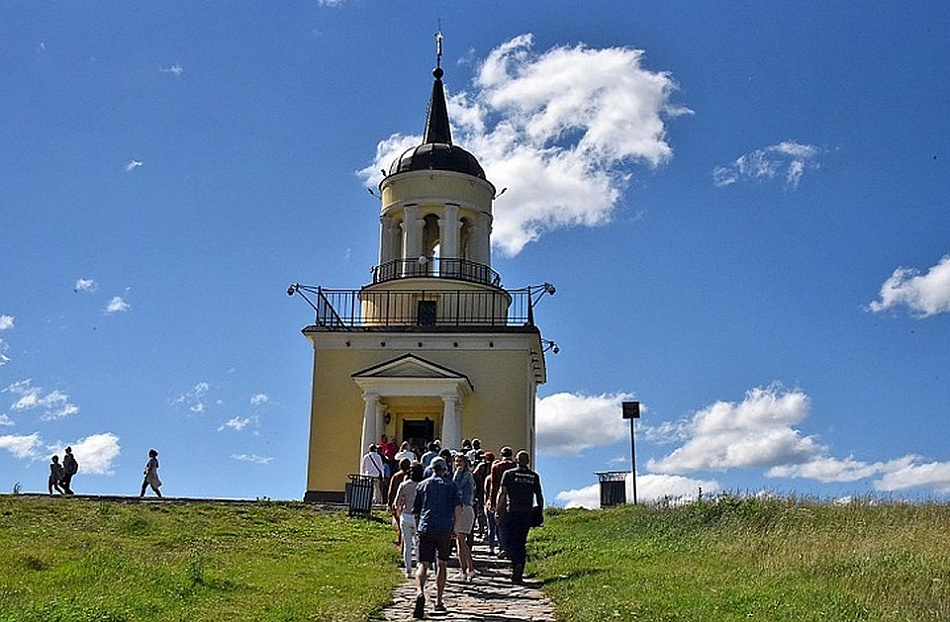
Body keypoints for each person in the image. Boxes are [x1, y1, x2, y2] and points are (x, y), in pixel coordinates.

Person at [411, 457, 461, 618]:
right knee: (442, 564)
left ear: (431, 469)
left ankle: (420, 592)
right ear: (444, 469)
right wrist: (454, 527)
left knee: (422, 564)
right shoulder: (451, 485)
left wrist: (419, 527)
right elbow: (457, 508)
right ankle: (439, 601)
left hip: (426, 527)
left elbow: (416, 510)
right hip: (444, 528)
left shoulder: (422, 485)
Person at [495, 450, 544, 584]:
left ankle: (515, 562)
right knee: (521, 541)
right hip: (526, 512)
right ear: (527, 462)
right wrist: (540, 511)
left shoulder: (509, 474)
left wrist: (498, 510)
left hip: (512, 511)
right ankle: (519, 567)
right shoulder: (533, 476)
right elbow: (539, 495)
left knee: (510, 541)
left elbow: (502, 493)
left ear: (516, 461)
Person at [394, 461, 424, 579]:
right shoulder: (422, 485)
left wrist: (399, 512)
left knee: (407, 545)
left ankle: (408, 570)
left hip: (406, 516)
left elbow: (397, 502)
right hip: (419, 517)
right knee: (418, 544)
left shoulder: (404, 485)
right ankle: (419, 567)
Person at [488, 446, 517, 557]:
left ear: (501, 454)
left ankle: (502, 547)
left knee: (500, 523)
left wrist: (492, 501)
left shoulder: (496, 467)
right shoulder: (515, 466)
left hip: (501, 497)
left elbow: (494, 485)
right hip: (514, 498)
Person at [452, 453, 476, 582]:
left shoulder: (466, 475)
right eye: (456, 461)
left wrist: (457, 472)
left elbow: (455, 485)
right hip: (462, 508)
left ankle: (466, 569)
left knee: (461, 539)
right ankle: (467, 569)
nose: (458, 464)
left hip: (464, 508)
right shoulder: (465, 474)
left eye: (460, 461)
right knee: (460, 540)